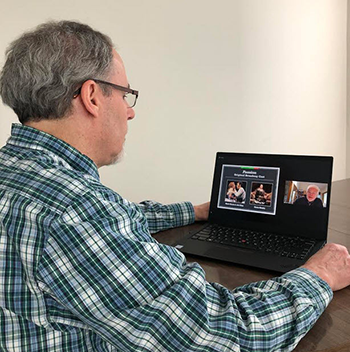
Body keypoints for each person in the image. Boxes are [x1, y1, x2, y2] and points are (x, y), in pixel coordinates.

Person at [0, 21, 349, 352]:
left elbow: (119, 218)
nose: (130, 112)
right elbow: (225, 335)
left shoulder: (20, 175)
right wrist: (318, 275)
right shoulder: (75, 210)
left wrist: (194, 211)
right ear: (92, 96)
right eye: (125, 94)